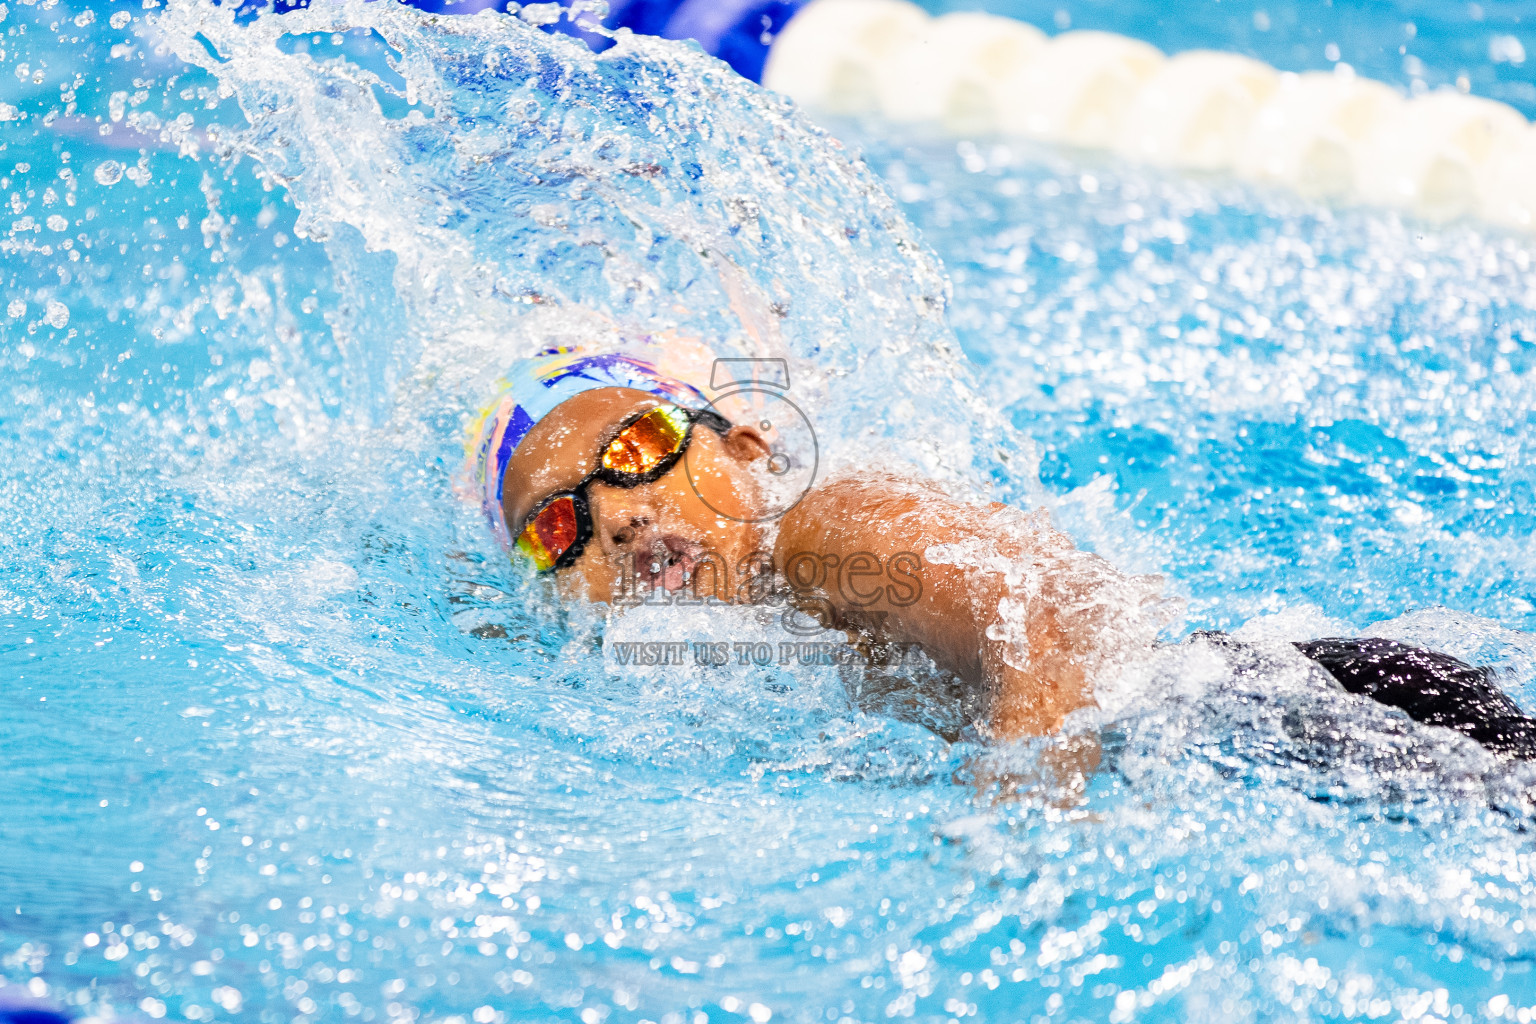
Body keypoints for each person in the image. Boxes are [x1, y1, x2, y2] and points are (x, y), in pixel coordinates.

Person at [462, 343, 1536, 760]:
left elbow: (1042, 609)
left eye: (636, 448)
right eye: (558, 526)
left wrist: (1027, 836)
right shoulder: (724, 646)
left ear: (743, 444)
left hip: (1301, 714)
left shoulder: (819, 529)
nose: (619, 514)